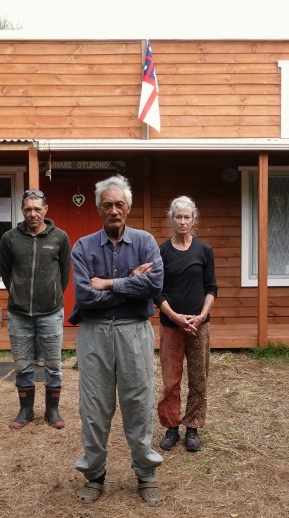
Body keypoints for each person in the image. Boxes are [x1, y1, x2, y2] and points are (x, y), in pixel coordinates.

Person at [69, 174, 165, 507]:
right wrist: (128, 283)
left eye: (119, 204)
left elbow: (154, 287)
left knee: (138, 403)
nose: (114, 210)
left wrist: (108, 284)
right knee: (94, 407)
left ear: (129, 207)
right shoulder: (82, 247)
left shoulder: (146, 242)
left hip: (134, 331)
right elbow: (83, 297)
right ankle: (94, 476)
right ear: (98, 208)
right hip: (94, 333)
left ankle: (146, 475)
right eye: (107, 204)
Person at [0, 189, 71, 430]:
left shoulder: (59, 237)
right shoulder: (9, 238)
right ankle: (26, 410)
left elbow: (64, 274)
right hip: (18, 314)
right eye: (28, 209)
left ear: (45, 210)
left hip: (51, 312)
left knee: (53, 364)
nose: (33, 214)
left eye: (37, 209)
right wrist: (18, 293)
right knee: (22, 365)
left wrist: (51, 296)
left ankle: (52, 410)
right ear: (23, 210)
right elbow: (6, 273)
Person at [155, 196, 217, 453]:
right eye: (178, 217)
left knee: (198, 378)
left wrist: (201, 315)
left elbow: (211, 288)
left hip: (199, 326)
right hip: (171, 324)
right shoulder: (162, 251)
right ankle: (172, 427)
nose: (182, 221)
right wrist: (175, 316)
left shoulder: (204, 250)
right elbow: (157, 292)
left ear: (194, 220)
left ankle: (192, 427)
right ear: (171, 219)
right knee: (171, 380)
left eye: (187, 217)